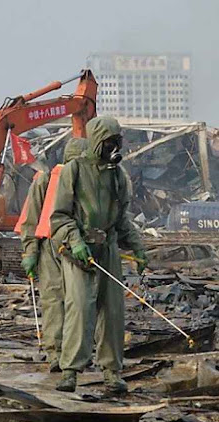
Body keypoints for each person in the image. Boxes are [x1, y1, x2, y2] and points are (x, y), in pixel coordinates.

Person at [50, 116, 148, 394]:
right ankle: (70, 370)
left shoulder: (118, 176)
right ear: (97, 141)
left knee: (113, 311)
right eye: (109, 142)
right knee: (80, 309)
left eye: (117, 142)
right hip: (78, 252)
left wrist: (138, 247)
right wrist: (74, 240)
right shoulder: (75, 170)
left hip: (108, 250)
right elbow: (59, 216)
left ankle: (111, 371)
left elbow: (122, 219)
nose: (113, 148)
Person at [20, 138, 88, 372]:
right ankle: (56, 354)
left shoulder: (90, 182)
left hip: (78, 249)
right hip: (49, 249)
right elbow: (31, 220)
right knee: (53, 301)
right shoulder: (46, 182)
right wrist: (30, 252)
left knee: (79, 303)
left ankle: (78, 353)